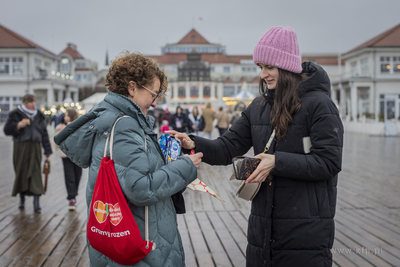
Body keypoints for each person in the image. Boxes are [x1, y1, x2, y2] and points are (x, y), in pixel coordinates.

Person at [168, 27, 343, 267]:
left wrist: (276, 161)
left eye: (269, 67)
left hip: (306, 230)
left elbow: (328, 163)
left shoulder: (320, 105)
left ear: (287, 66)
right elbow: (227, 148)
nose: (263, 75)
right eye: (260, 67)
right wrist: (193, 142)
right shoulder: (258, 106)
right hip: (262, 229)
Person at [54, 52, 203, 267]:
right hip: (139, 245)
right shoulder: (124, 125)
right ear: (132, 88)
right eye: (153, 94)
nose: (154, 103)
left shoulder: (109, 119)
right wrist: (186, 166)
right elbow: (140, 188)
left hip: (123, 238)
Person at [3, 94, 52, 213]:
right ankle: (22, 199)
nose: (34, 104)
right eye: (31, 102)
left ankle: (36, 203)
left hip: (35, 147)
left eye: (34, 102)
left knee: (35, 172)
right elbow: (6, 130)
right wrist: (17, 125)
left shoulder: (39, 115)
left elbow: (44, 133)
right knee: (21, 171)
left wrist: (47, 150)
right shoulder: (15, 114)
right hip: (21, 147)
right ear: (25, 103)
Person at [55, 108, 82, 211]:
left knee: (78, 176)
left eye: (67, 115)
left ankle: (74, 193)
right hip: (66, 156)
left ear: (73, 116)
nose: (65, 117)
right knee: (69, 176)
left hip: (78, 155)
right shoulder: (61, 127)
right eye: (65, 115)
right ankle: (72, 197)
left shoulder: (79, 126)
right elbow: (58, 141)